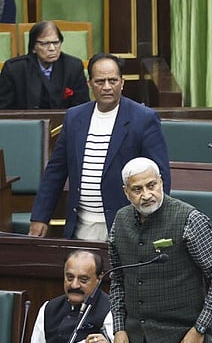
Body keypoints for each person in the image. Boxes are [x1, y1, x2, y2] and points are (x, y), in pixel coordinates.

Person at [109, 157, 212, 343]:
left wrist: (200, 329)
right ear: (126, 192)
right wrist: (119, 328)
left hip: (184, 342)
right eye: (137, 189)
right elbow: (117, 279)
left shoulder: (189, 218)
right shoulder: (120, 220)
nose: (146, 195)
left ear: (161, 182)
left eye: (151, 185)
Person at [29, 53, 171, 241]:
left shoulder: (143, 119)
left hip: (127, 227)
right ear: (90, 84)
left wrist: (152, 221)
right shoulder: (74, 117)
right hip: (80, 226)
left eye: (112, 80)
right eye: (100, 81)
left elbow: (160, 175)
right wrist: (40, 216)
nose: (106, 87)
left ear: (122, 82)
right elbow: (55, 171)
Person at [0, 250, 119, 343]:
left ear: (99, 279)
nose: (74, 285)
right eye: (69, 277)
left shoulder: (112, 310)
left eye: (83, 280)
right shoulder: (48, 308)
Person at [0, 21, 90, 109]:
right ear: (33, 47)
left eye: (56, 43)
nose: (52, 48)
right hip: (25, 122)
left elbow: (82, 107)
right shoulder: (14, 69)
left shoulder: (73, 67)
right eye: (45, 44)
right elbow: (4, 110)